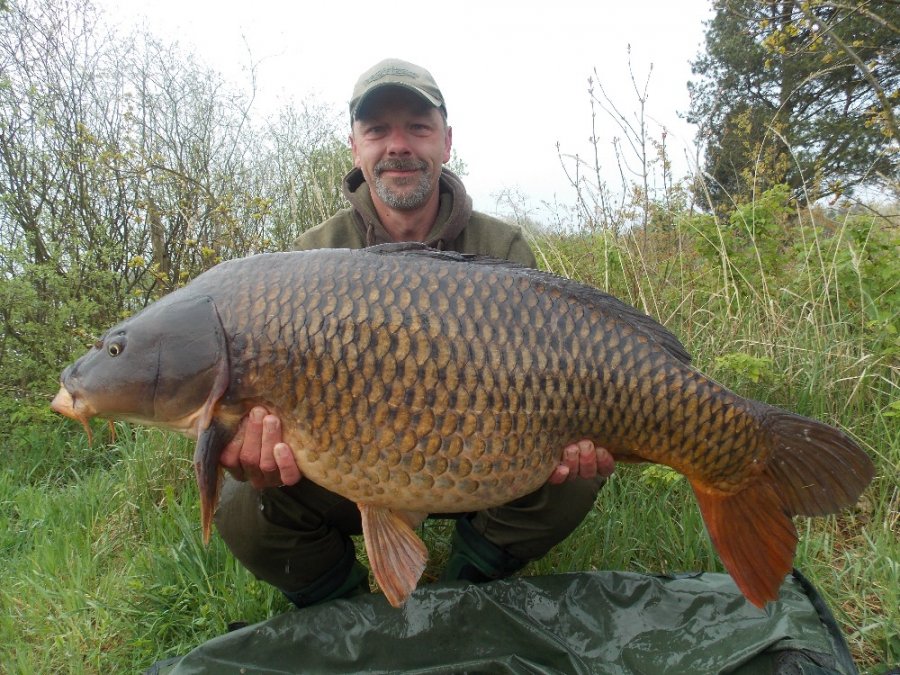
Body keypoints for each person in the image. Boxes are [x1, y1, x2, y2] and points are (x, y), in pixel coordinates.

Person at [214, 59, 615, 608]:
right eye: (377, 130)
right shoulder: (311, 260)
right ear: (355, 147)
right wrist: (262, 455)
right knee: (242, 501)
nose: (397, 145)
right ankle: (347, 610)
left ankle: (469, 582)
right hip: (347, 468)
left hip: (485, 465)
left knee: (576, 469)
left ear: (446, 143)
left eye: (417, 128)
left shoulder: (501, 248)